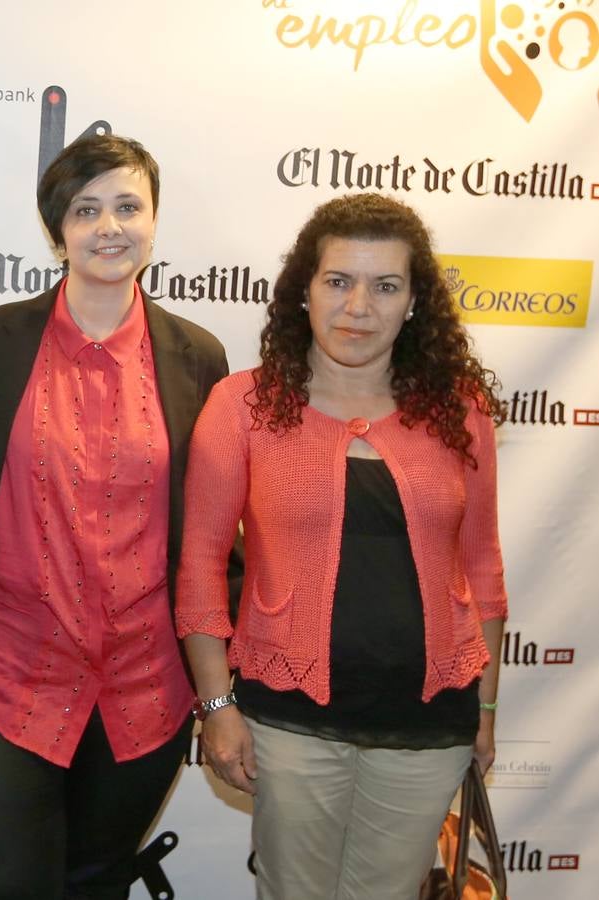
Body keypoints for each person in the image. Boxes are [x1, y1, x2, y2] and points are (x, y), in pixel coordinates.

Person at [0, 133, 236, 900]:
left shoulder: (198, 358)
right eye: (86, 210)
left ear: (154, 222)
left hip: (141, 687)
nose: (108, 227)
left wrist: (218, 685)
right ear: (56, 229)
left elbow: (212, 535)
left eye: (128, 206)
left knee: (94, 887)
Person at [175, 192, 507, 900]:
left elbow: (481, 566)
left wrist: (483, 710)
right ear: (304, 291)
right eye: (337, 281)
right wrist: (213, 706)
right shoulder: (243, 406)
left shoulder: (459, 413)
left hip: (428, 726)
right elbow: (200, 566)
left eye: (385, 285)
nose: (358, 305)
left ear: (414, 302)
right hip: (290, 720)